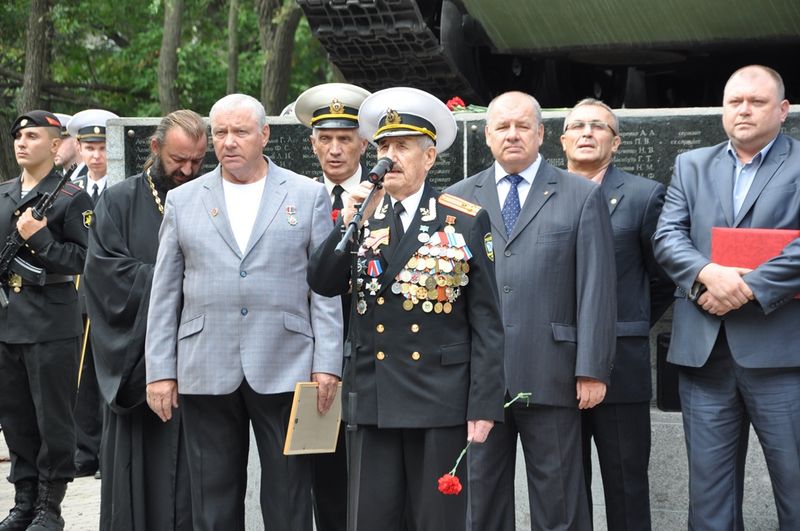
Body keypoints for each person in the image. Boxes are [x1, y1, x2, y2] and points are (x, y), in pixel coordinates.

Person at [307, 86, 505, 530]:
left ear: (429, 157)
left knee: (437, 521)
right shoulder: (364, 218)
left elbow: (488, 323)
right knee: (371, 520)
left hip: (438, 400)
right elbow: (322, 282)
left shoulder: (463, 220)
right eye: (383, 147)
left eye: (401, 147)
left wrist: (484, 405)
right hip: (373, 400)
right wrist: (349, 220)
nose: (389, 157)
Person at [144, 93, 342, 531]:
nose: (229, 141)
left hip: (287, 362)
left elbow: (325, 289)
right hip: (205, 364)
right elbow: (164, 293)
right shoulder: (183, 200)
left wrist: (328, 363)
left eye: (240, 132)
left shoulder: (307, 195)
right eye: (220, 133)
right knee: (212, 499)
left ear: (264, 134)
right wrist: (159, 370)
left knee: (289, 496)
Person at [446, 91, 617, 531]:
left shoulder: (580, 195)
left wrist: (592, 369)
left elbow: (596, 288)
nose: (513, 134)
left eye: (523, 126)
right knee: (480, 506)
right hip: (478, 382)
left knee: (560, 506)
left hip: (552, 373)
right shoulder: (456, 199)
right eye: (502, 127)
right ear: (487, 135)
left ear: (541, 134)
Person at [653, 65, 800, 530]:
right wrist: (707, 274)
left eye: (757, 102)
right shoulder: (691, 165)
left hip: (783, 358)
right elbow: (667, 237)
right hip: (706, 359)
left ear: (783, 110)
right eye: (735, 101)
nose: (744, 110)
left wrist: (747, 288)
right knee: (709, 503)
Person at [83, 109, 208, 531]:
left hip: (198, 360)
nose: (187, 171)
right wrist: (176, 280)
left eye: (197, 161)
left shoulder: (210, 197)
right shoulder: (119, 201)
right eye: (178, 160)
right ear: (155, 148)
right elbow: (105, 278)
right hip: (139, 366)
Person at [560, 98, 674, 531]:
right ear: (563, 139)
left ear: (616, 142)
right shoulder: (543, 194)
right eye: (578, 126)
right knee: (566, 490)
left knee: (626, 486)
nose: (587, 133)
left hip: (619, 366)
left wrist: (622, 325)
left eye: (599, 126)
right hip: (554, 363)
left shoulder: (644, 196)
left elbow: (662, 278)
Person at [0, 110, 93, 531]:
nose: (22, 143)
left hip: (51, 323)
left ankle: (49, 507)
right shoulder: (4, 194)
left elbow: (86, 258)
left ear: (56, 146)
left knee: (53, 421)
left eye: (33, 137)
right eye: (18, 137)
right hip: (7, 323)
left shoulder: (71, 197)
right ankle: (23, 502)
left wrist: (39, 239)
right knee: (15, 419)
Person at [294, 82, 370, 531]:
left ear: (364, 143)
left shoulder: (388, 194)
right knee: (326, 476)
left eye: (345, 138)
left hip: (378, 355)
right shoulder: (295, 197)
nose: (335, 149)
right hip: (314, 358)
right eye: (326, 138)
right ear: (313, 143)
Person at [66, 108, 120, 478]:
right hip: (75, 291)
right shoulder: (71, 189)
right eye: (89, 148)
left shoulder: (122, 186)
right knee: (80, 372)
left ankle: (105, 451)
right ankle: (84, 450)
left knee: (105, 370)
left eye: (102, 147)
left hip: (109, 291)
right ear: (80, 149)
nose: (96, 155)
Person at [52, 114, 86, 180]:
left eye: (59, 142)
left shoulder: (94, 178)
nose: (54, 148)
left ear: (76, 141)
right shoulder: (55, 181)